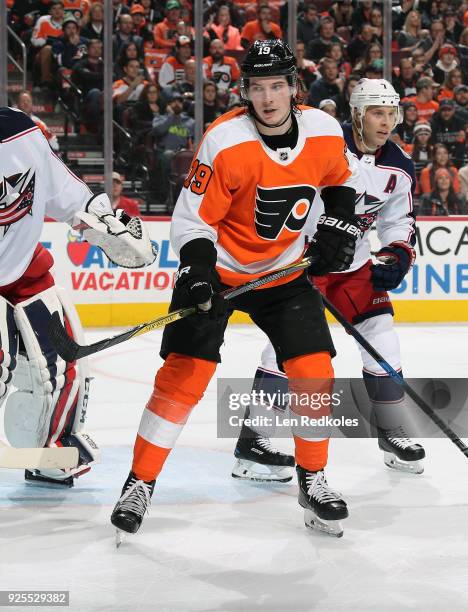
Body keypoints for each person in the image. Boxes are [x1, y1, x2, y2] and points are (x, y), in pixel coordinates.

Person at [110, 39, 361, 539]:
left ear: (294, 89)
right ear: (245, 91)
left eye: (276, 86)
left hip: (284, 272)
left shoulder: (324, 130)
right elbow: (192, 220)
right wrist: (199, 271)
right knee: (184, 376)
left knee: (314, 370)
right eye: (257, 88)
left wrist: (339, 225)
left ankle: (312, 479)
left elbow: (340, 179)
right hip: (219, 274)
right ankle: (139, 483)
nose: (267, 98)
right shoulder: (224, 141)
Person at [231, 78, 425, 495]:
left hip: (354, 268)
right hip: (305, 262)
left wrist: (397, 253)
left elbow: (399, 220)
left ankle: (391, 430)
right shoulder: (321, 143)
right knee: (286, 350)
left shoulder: (400, 165)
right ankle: (252, 443)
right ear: (356, 114)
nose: (386, 122)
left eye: (391, 113)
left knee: (383, 339)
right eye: (377, 112)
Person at [0, 106, 156, 486]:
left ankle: (52, 452)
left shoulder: (20, 129)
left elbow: (65, 194)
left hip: (24, 271)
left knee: (62, 365)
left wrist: (103, 225)